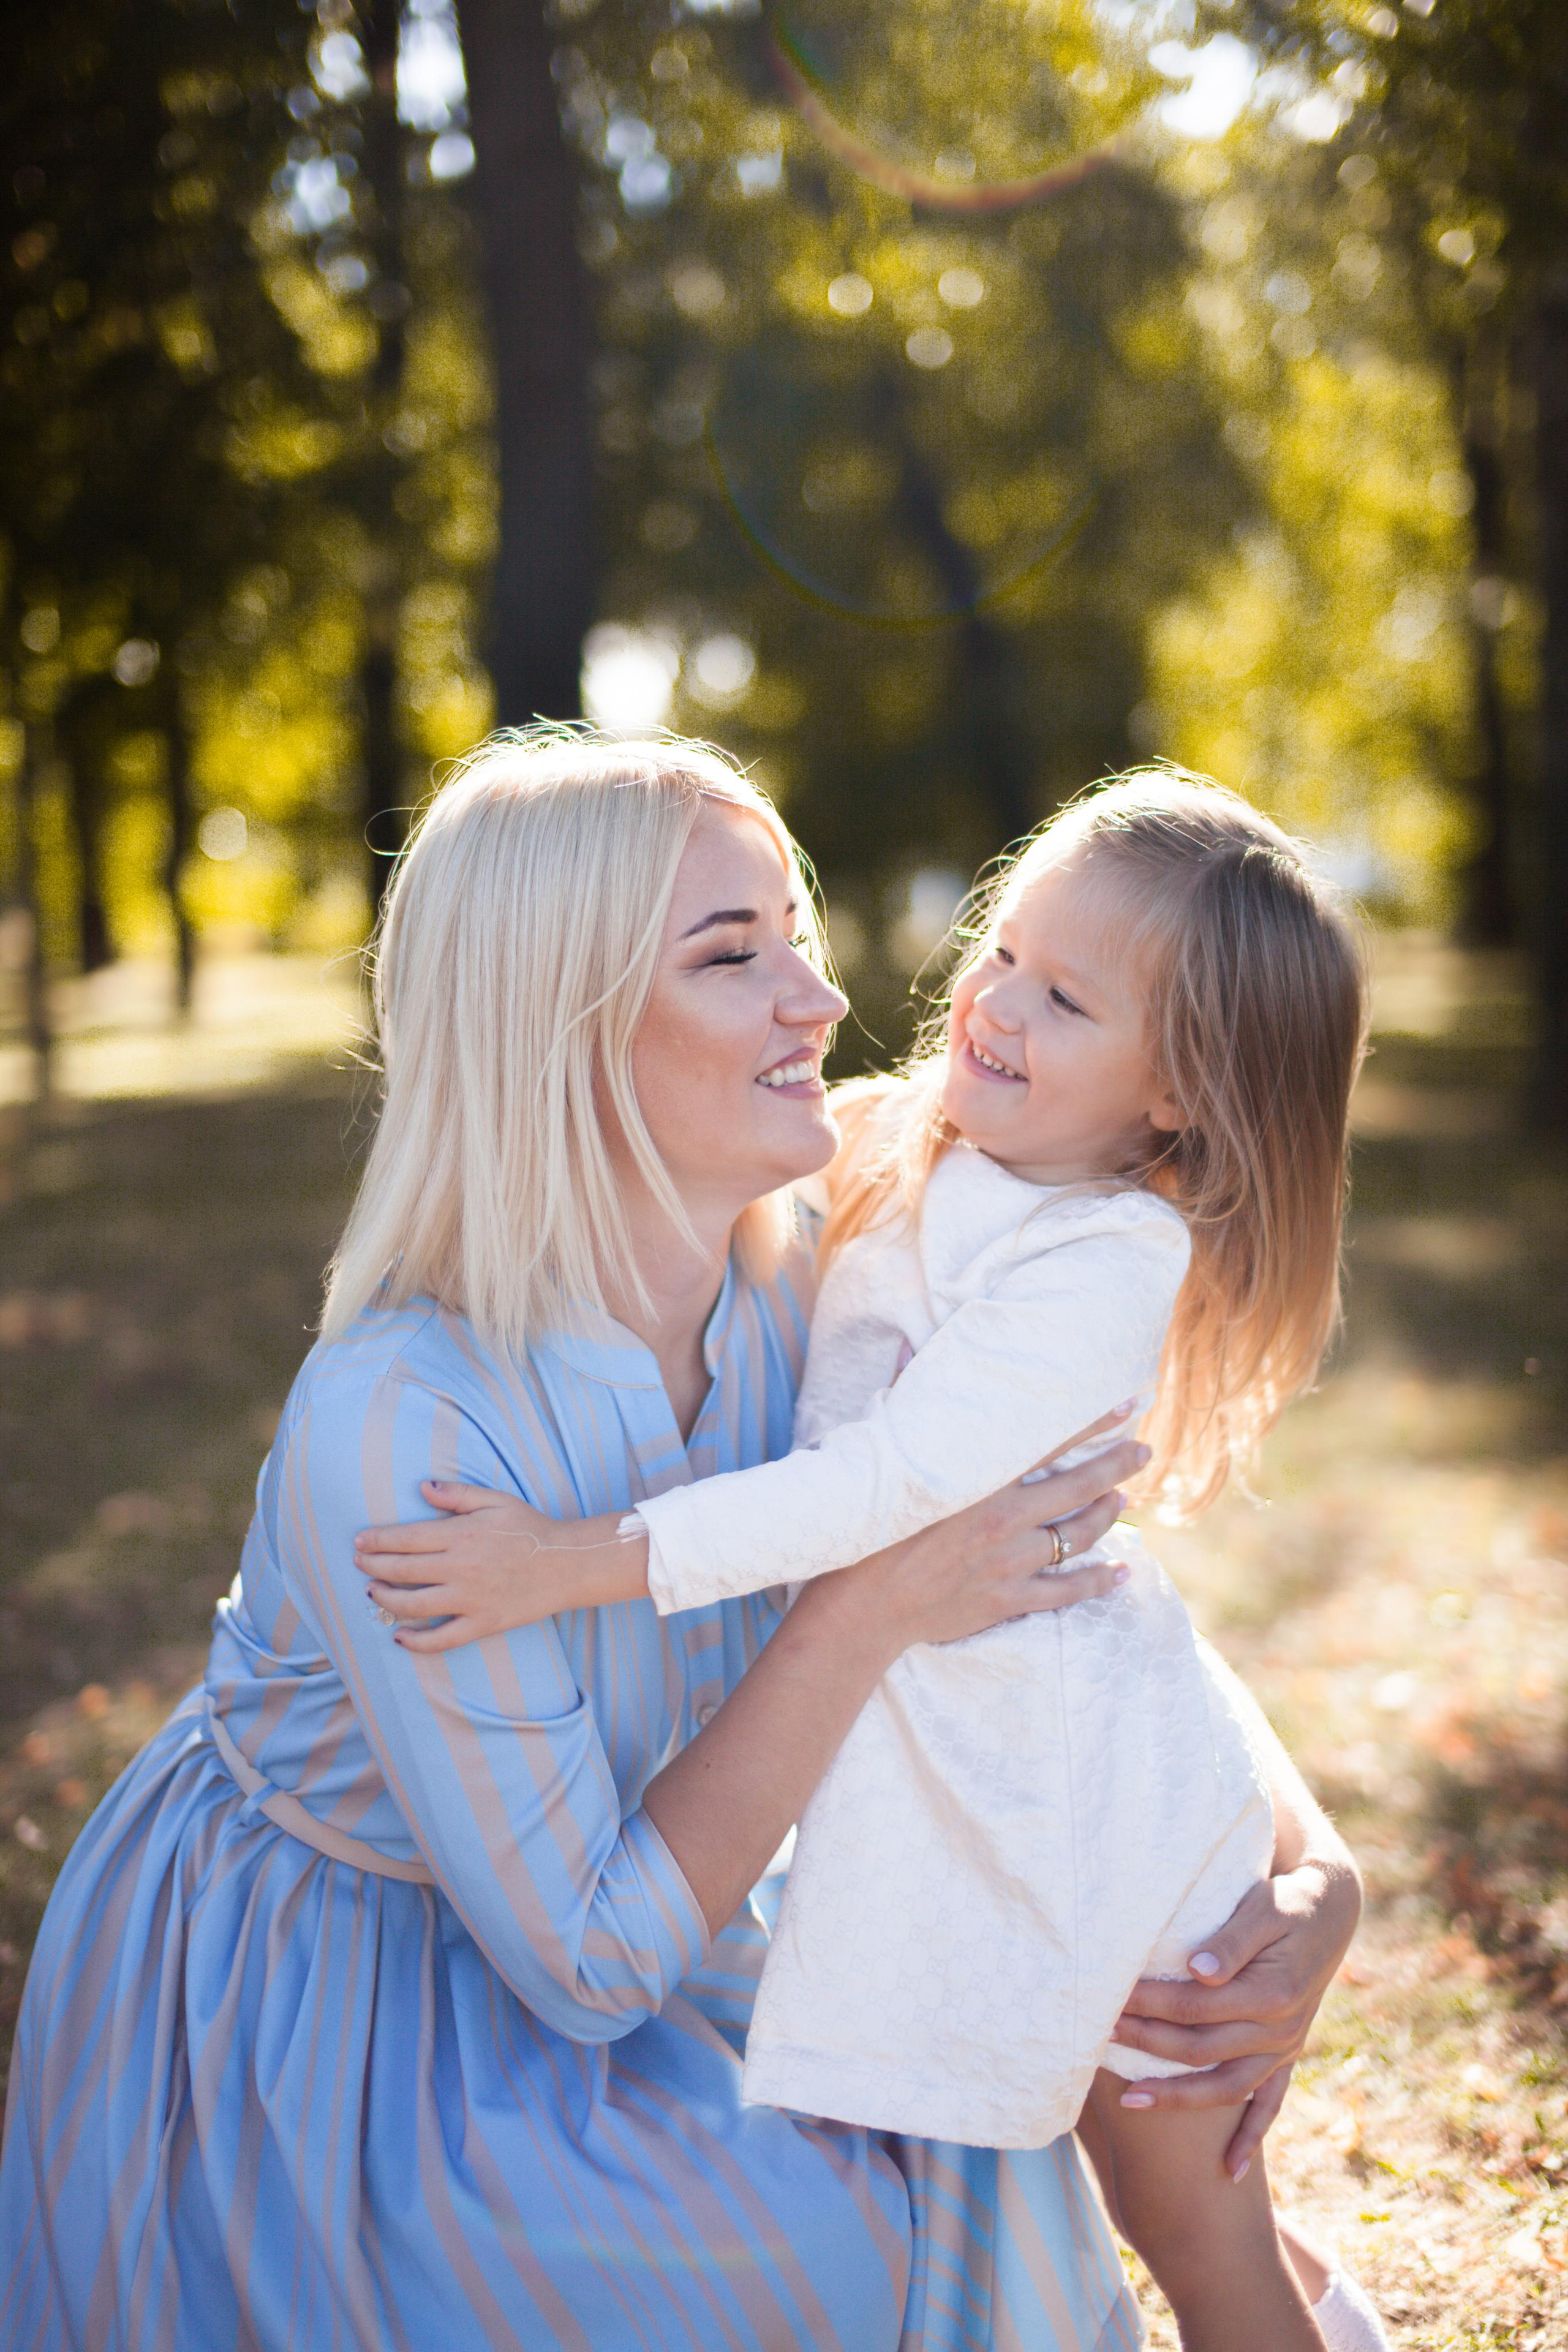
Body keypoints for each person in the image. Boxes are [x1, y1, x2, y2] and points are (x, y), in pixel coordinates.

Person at [1, 732, 1359, 2352]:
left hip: (673, 1896)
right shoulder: (409, 1428)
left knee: (961, 2152)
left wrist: (1315, 1864)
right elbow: (583, 1964)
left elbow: (1063, 1565)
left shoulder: (819, 1254)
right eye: (736, 956)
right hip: (348, 2009)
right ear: (554, 1026)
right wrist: (862, 1615)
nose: (817, 1000)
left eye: (797, 934)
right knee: (817, 2261)